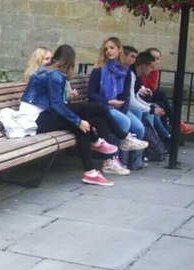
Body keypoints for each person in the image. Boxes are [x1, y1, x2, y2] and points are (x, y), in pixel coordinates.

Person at [20, 44, 114, 186]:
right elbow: (56, 104)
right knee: (82, 116)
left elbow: (57, 101)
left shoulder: (49, 73)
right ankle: (97, 142)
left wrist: (78, 121)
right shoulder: (45, 73)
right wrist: (77, 121)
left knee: (81, 126)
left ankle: (90, 172)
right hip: (33, 120)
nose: (50, 61)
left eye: (51, 58)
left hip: (44, 115)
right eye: (47, 58)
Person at [88, 37, 148, 174]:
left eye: (112, 48)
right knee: (124, 122)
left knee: (139, 127)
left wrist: (122, 108)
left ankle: (130, 163)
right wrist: (109, 102)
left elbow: (126, 95)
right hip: (102, 106)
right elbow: (91, 94)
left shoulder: (125, 70)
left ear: (119, 49)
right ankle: (112, 161)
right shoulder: (99, 68)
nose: (108, 51)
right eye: (106, 49)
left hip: (118, 107)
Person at [139, 47, 194, 134]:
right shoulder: (144, 69)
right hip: (142, 95)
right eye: (153, 58)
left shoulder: (154, 71)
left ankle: (167, 134)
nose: (155, 61)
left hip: (149, 95)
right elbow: (147, 86)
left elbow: (153, 87)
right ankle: (175, 122)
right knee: (162, 94)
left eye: (157, 59)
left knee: (161, 105)